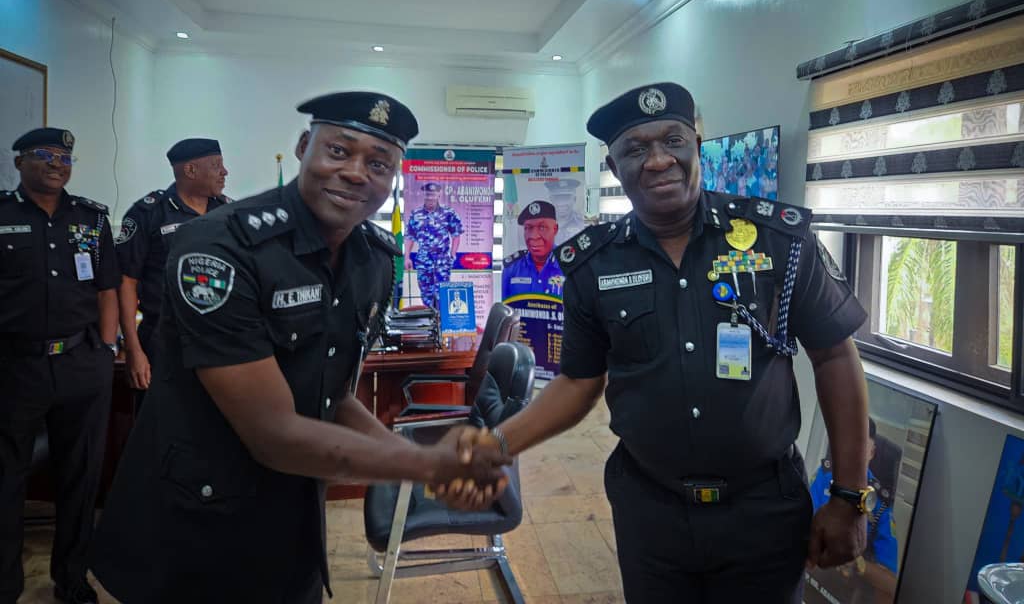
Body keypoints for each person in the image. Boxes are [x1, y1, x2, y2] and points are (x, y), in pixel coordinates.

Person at [438, 82, 873, 603]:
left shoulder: (777, 240)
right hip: (650, 511)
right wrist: (497, 443)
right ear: (614, 164)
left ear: (697, 144)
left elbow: (835, 357)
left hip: (763, 509)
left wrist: (850, 495)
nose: (658, 160)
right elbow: (578, 383)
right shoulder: (594, 264)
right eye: (636, 149)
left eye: (673, 140)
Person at [89, 92, 509, 603]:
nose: (355, 172)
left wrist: (413, 455)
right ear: (304, 146)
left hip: (292, 516)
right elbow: (273, 434)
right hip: (194, 526)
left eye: (379, 164)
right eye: (339, 150)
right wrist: (428, 466)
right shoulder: (219, 247)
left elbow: (333, 395)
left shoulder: (372, 259)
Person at [0, 128, 120, 604]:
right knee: (6, 478)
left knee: (81, 476)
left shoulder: (91, 218)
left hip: (80, 364)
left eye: (65, 157)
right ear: (19, 162)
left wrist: (106, 350)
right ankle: (5, 584)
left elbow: (107, 288)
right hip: (14, 366)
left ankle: (71, 581)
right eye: (45, 155)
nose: (57, 164)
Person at [114, 138, 229, 400]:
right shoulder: (148, 213)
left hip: (218, 336)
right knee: (161, 415)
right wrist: (133, 349)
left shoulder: (227, 211)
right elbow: (127, 281)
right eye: (216, 165)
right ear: (190, 170)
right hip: (164, 337)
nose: (225, 172)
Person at [808, 418, 898, 603]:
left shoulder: (880, 504)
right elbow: (799, 524)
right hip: (810, 579)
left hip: (847, 594)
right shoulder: (824, 477)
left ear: (872, 452)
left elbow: (890, 584)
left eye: (862, 446)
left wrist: (859, 564)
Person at [404, 181, 463, 309]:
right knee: (426, 293)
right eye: (427, 195)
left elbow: (456, 234)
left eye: (433, 195)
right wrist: (407, 257)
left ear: (438, 195)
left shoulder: (448, 213)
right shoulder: (416, 214)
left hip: (442, 260)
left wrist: (452, 254)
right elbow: (409, 237)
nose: (430, 198)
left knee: (443, 293)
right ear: (423, 195)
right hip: (423, 260)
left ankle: (441, 319)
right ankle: (429, 318)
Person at [501, 200, 564, 299]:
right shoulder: (512, 268)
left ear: (555, 229)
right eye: (528, 228)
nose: (534, 236)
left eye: (542, 227)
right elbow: (505, 307)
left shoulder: (570, 268)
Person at [544, 178, 585, 244]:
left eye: (566, 198)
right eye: (557, 198)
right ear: (551, 199)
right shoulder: (542, 223)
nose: (562, 203)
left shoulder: (583, 222)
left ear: (574, 199)